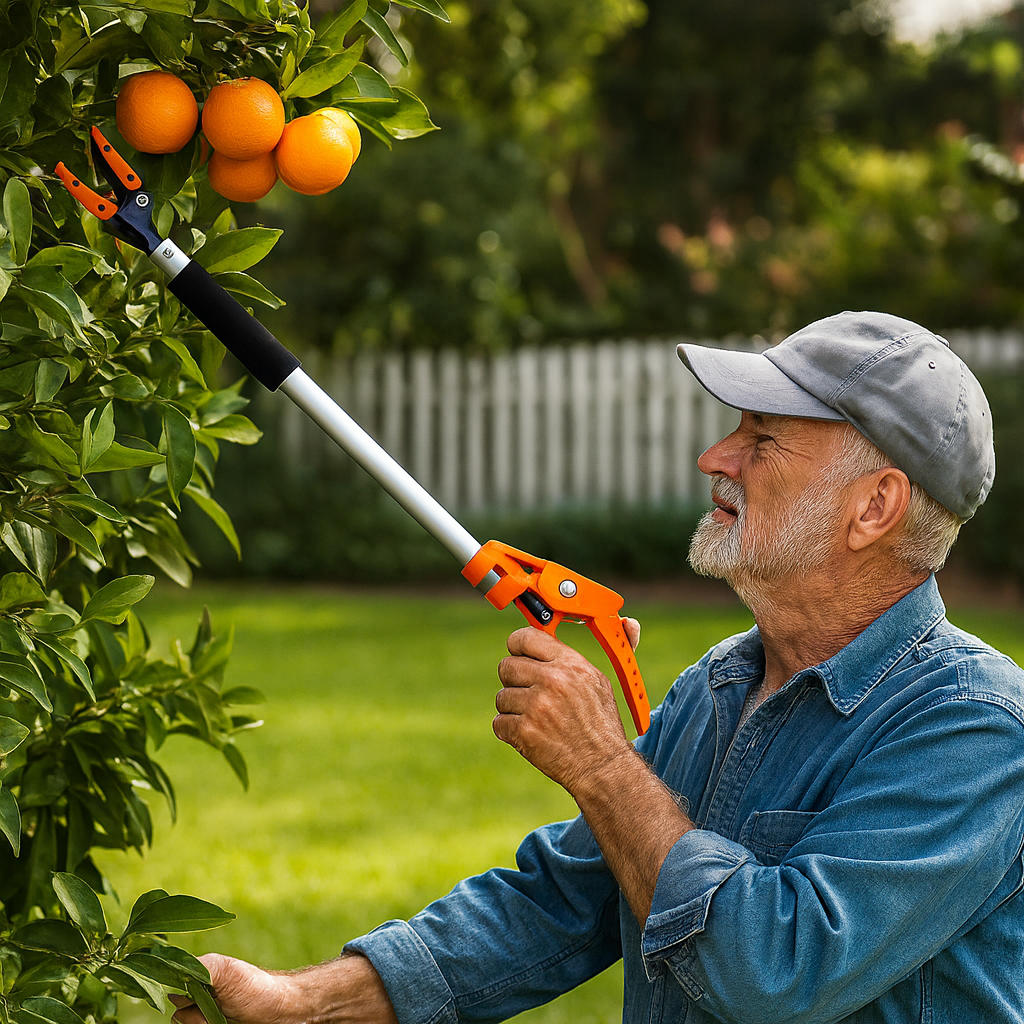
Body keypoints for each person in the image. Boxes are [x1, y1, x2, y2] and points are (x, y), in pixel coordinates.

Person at [171, 311, 1024, 1024]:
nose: (715, 458)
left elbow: (778, 970)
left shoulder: (976, 732)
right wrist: (297, 1002)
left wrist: (602, 765)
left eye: (761, 441)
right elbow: (563, 906)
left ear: (874, 506)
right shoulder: (721, 688)